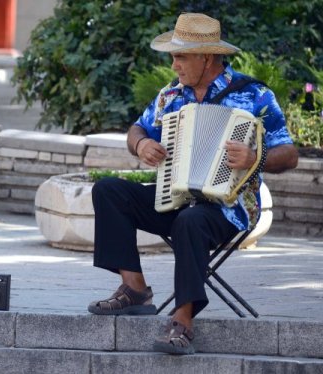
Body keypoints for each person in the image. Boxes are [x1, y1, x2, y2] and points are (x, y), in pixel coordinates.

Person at [87, 13, 298, 355]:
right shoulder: (171, 96)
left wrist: (255, 158)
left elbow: (289, 154)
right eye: (173, 56)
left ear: (208, 57)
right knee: (108, 190)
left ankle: (183, 321)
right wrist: (141, 144)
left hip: (228, 209)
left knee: (192, 220)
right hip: (175, 197)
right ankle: (135, 288)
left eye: (180, 56)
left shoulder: (254, 94)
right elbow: (136, 130)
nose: (174, 65)